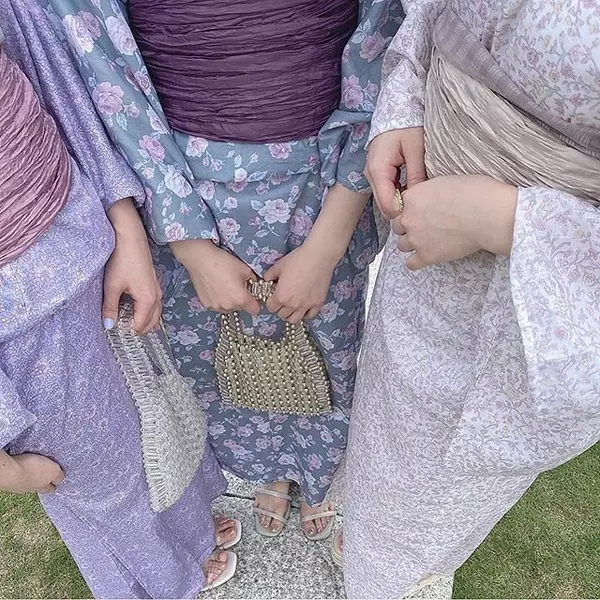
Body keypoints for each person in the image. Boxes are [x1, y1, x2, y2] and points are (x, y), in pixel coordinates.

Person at [44, 0, 405, 538]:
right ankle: (269, 467)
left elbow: (382, 36)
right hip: (182, 182)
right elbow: (98, 53)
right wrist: (191, 247)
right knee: (221, 358)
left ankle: (317, 472)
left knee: (324, 345)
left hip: (322, 175)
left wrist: (327, 245)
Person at [340, 0, 600, 597]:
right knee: (384, 431)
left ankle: (389, 577)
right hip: (424, 242)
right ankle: (370, 548)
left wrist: (506, 220)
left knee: (437, 501)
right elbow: (432, 15)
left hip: (536, 305)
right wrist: (403, 106)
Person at [0, 1, 241, 594]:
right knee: (101, 479)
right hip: (18, 323)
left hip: (81, 226)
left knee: (156, 410)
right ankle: (165, 578)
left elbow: (49, 72)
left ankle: (192, 529)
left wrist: (124, 222)